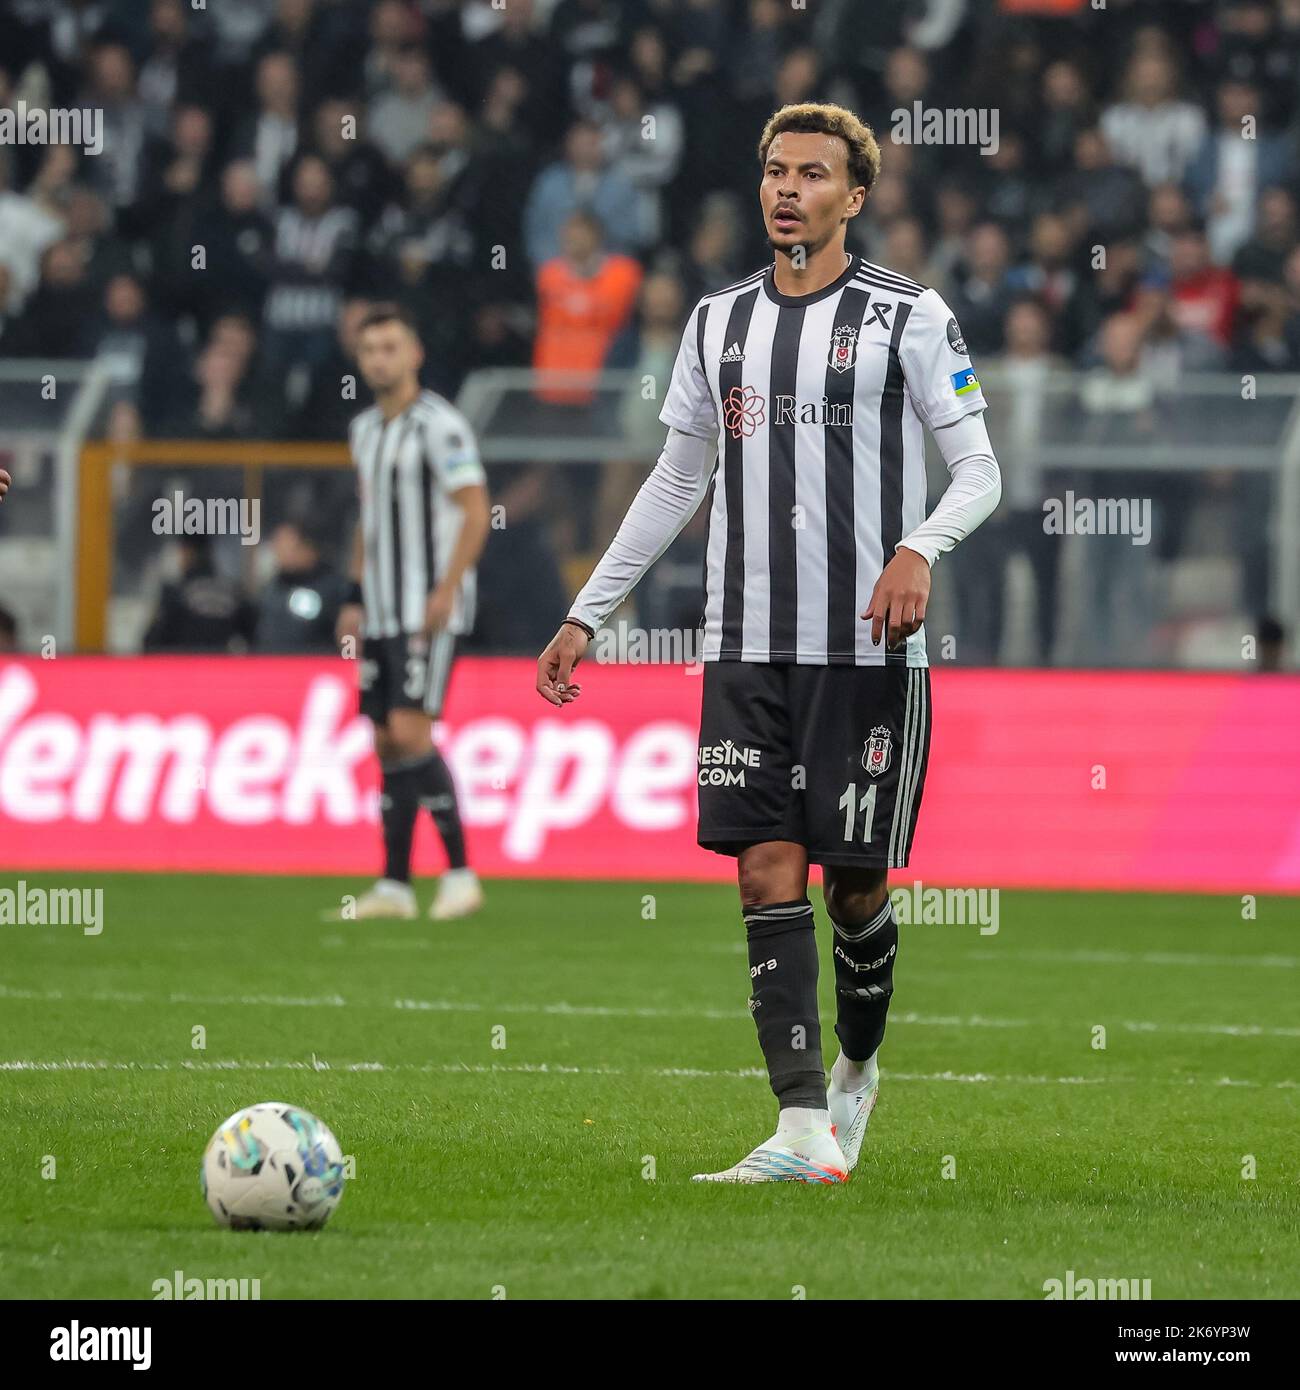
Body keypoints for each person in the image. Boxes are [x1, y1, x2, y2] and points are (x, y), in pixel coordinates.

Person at [535, 103, 1002, 1184]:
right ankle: (798, 1127)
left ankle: (856, 1068)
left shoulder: (909, 316)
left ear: (854, 195)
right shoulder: (718, 322)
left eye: (812, 174)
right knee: (763, 867)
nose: (786, 188)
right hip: (742, 642)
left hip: (864, 650)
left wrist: (919, 546)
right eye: (774, 171)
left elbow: (978, 468)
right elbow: (677, 480)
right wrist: (586, 612)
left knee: (852, 885)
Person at [335, 302, 491, 922]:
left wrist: (447, 587)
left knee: (409, 733)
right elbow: (368, 523)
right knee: (382, 739)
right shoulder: (365, 429)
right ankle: (395, 886)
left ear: (414, 353)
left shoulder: (440, 426)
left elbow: (476, 510)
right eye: (370, 350)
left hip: (427, 605)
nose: (379, 359)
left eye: (390, 348)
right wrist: (353, 596)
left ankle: (460, 873)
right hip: (379, 609)